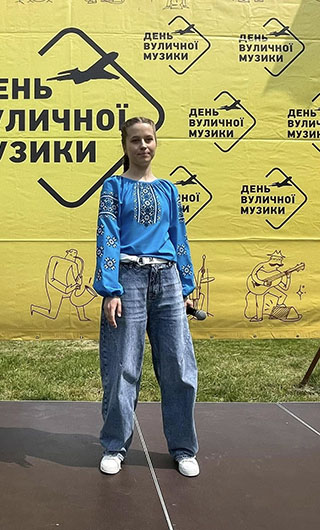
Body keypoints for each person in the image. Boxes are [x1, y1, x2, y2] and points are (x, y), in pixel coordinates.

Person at [93, 117, 199, 477]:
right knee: (122, 366)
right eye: (135, 140)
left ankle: (183, 448)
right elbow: (107, 235)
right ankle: (114, 446)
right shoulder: (114, 187)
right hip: (128, 279)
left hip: (167, 279)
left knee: (179, 367)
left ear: (156, 143)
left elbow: (178, 236)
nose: (143, 146)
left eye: (149, 139)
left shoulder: (169, 189)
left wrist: (186, 286)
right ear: (125, 145)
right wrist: (111, 289)